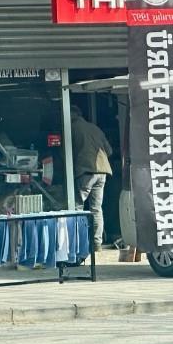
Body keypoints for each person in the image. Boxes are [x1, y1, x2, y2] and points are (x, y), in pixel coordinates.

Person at [70, 105, 112, 252]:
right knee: (96, 209)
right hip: (102, 171)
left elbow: (66, 153)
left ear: (71, 115)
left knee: (77, 207)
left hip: (85, 171)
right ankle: (96, 244)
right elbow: (109, 151)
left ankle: (79, 243)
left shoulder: (72, 128)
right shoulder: (94, 128)